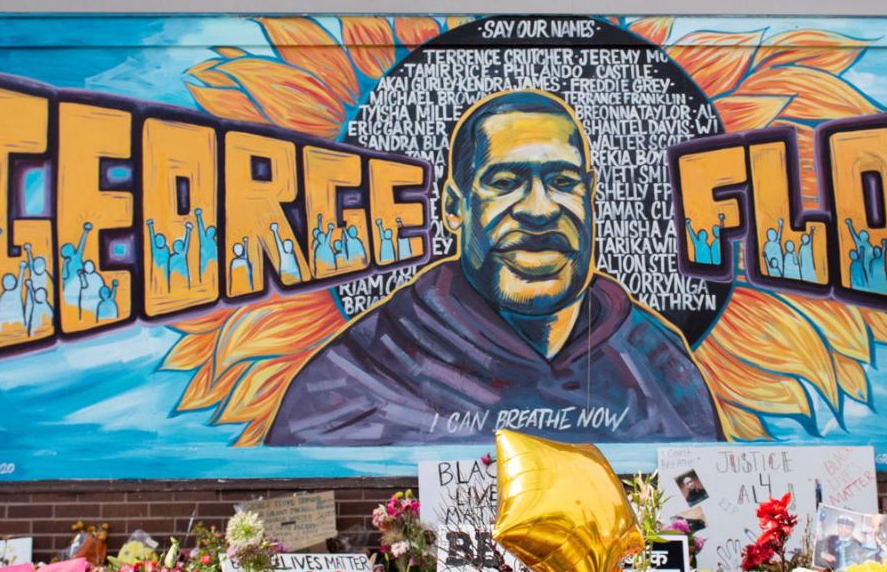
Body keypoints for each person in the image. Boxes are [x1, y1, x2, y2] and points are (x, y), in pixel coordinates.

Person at [267, 89, 721, 445]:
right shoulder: (359, 375)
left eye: (563, 181)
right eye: (504, 182)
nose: (540, 210)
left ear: (590, 195)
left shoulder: (656, 362)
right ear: (453, 207)